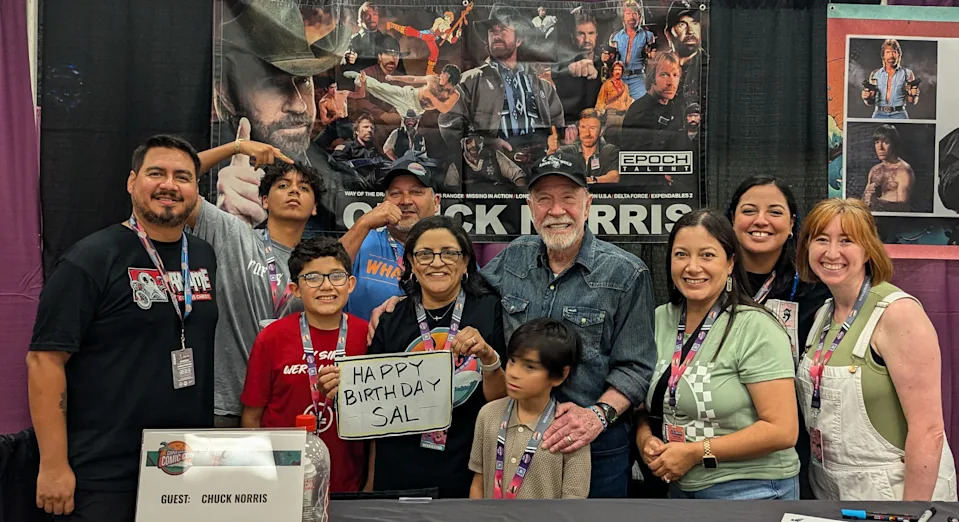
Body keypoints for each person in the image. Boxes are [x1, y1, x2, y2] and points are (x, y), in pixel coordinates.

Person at [28, 136, 218, 521]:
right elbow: (44, 361)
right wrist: (53, 465)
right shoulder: (92, 257)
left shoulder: (201, 255)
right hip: (103, 471)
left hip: (183, 466)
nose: (169, 185)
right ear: (132, 182)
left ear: (196, 190)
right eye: (156, 173)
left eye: (182, 176)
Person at [481, 152, 657, 498]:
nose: (556, 210)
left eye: (568, 198)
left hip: (594, 445)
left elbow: (636, 367)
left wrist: (596, 417)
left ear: (588, 204)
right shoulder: (513, 257)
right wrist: (403, 299)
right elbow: (466, 297)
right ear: (530, 207)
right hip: (515, 441)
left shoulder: (626, 273)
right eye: (544, 199)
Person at [320, 216, 507, 498]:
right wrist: (342, 390)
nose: (436, 262)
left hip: (467, 471)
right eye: (424, 254)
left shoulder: (491, 310)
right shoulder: (391, 318)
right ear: (410, 262)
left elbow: (501, 400)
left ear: (466, 260)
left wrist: (488, 357)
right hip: (397, 473)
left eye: (449, 253)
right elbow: (372, 408)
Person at [795, 198, 958, 501]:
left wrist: (912, 512)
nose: (832, 253)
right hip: (831, 489)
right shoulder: (822, 315)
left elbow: (929, 430)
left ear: (868, 249)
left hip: (894, 490)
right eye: (821, 240)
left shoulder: (897, 314)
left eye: (847, 240)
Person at [636, 209, 800, 499]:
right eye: (681, 255)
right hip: (679, 486)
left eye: (707, 255)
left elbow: (783, 430)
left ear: (730, 263)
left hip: (752, 489)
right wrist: (644, 437)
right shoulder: (659, 319)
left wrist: (696, 453)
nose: (693, 267)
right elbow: (644, 403)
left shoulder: (755, 327)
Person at [186, 159, 324, 427]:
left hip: (285, 406)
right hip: (225, 404)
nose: (294, 191)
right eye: (283, 185)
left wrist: (364, 225)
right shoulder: (233, 235)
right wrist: (236, 149)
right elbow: (180, 182)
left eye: (304, 188)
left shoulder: (316, 265)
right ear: (263, 201)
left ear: (315, 207)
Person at [213, 2, 364, 229]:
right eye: (273, 84)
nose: (299, 105)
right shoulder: (199, 181)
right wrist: (224, 228)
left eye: (304, 80)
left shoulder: (341, 180)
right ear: (227, 94)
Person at [240, 238, 368, 493]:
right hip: (280, 484)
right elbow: (252, 416)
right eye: (312, 278)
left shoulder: (368, 336)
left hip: (348, 486)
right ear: (295, 289)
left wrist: (370, 486)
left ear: (350, 284)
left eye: (336, 276)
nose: (326, 286)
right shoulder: (272, 338)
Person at [469, 318, 591, 499]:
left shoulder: (570, 430)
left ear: (560, 375)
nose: (513, 373)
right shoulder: (488, 415)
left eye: (529, 367)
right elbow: (478, 483)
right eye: (512, 361)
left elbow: (574, 503)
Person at [438, 5, 564, 168]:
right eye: (492, 31)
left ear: (519, 40)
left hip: (538, 167)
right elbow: (449, 122)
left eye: (503, 29)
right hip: (491, 171)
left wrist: (553, 142)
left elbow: (557, 122)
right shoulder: (470, 80)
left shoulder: (541, 85)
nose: (496, 34)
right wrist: (486, 144)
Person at [339, 157, 440, 321]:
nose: (406, 201)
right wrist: (364, 223)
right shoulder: (362, 241)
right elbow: (324, 271)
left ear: (436, 203)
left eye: (416, 192)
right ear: (383, 203)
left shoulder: (451, 250)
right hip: (366, 345)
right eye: (395, 193)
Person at [621, 51, 686, 157]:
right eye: (664, 74)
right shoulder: (640, 112)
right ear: (652, 78)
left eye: (675, 75)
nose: (671, 82)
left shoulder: (675, 106)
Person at [344, 64, 462, 117]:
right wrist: (394, 77)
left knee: (406, 127)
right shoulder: (433, 79)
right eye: (442, 73)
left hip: (416, 110)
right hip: (409, 95)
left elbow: (444, 109)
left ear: (451, 79)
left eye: (445, 75)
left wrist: (430, 97)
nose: (441, 76)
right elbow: (414, 78)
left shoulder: (454, 94)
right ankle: (359, 77)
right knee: (383, 89)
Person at [550, 14, 603, 127]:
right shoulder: (563, 64)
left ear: (597, 35)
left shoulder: (605, 63)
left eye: (591, 33)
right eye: (581, 34)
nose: (587, 40)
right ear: (573, 36)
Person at [353, 39, 408, 146]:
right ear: (379, 56)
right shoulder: (366, 74)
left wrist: (395, 114)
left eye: (396, 55)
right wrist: (383, 115)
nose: (392, 59)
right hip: (372, 124)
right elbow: (361, 101)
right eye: (388, 54)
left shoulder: (402, 79)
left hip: (396, 123)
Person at [445, 130, 527, 191]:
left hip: (499, 203)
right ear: (463, 144)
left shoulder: (494, 156)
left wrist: (520, 196)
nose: (474, 145)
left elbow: (518, 175)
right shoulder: (456, 166)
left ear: (482, 142)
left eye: (477, 141)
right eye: (469, 141)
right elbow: (451, 193)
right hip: (471, 208)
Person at [386, 9, 464, 75]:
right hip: (429, 34)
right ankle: (392, 25)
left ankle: (429, 71)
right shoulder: (439, 20)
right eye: (446, 16)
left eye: (448, 17)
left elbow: (452, 41)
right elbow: (435, 29)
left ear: (451, 19)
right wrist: (442, 33)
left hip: (432, 39)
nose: (446, 18)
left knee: (435, 52)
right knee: (413, 32)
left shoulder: (449, 30)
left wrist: (457, 35)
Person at [557, 109, 620, 185]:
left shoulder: (610, 150)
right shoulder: (567, 151)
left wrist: (592, 180)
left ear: (601, 131)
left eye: (592, 128)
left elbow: (614, 177)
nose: (587, 133)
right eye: (583, 127)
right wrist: (551, 150)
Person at [861, 39, 919, 120]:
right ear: (883, 55)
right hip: (879, 114)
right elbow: (870, 102)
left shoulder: (908, 73)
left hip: (900, 115)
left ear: (899, 54)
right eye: (888, 52)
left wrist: (914, 95)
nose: (891, 55)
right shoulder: (875, 74)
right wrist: (866, 97)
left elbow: (912, 101)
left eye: (894, 52)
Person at [609, 0, 656, 100]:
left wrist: (651, 56)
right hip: (619, 78)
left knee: (640, 108)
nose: (632, 17)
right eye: (628, 13)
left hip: (638, 78)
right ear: (623, 17)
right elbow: (610, 59)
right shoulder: (615, 37)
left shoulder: (648, 36)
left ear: (639, 16)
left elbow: (654, 59)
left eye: (635, 13)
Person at [344, 2, 406, 74]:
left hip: (384, 82)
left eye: (375, 14)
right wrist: (347, 59)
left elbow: (400, 70)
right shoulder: (352, 40)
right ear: (360, 19)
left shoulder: (390, 41)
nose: (372, 18)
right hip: (360, 81)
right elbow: (343, 67)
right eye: (367, 15)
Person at [863, 124, 914, 212]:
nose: (880, 148)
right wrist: (866, 197)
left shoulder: (904, 171)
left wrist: (878, 202)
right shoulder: (875, 170)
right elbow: (864, 200)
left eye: (886, 142)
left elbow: (904, 207)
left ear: (894, 144)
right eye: (877, 142)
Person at [664, 0, 705, 108]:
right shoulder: (659, 66)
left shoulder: (711, 65)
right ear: (668, 34)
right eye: (682, 24)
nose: (690, 31)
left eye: (695, 23)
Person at [594, 61, 633, 145]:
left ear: (622, 71)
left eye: (619, 69)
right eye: (616, 69)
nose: (618, 72)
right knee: (610, 139)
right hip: (612, 115)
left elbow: (628, 101)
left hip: (623, 116)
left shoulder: (625, 86)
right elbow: (601, 100)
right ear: (612, 71)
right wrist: (598, 112)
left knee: (621, 140)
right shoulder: (607, 85)